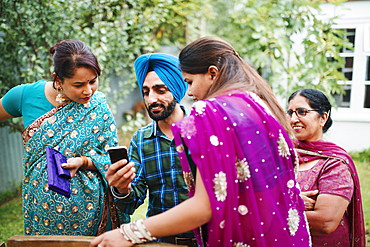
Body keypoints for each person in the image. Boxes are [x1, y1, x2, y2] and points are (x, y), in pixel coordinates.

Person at [92, 36, 311, 247]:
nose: (190, 91)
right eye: (146, 91)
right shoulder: (256, 104)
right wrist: (122, 188)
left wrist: (130, 233)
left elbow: (205, 206)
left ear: (212, 74)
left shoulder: (209, 114)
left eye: (189, 81)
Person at [0, 40, 129, 235]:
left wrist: (83, 161)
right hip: (41, 214)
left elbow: (109, 160)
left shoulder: (98, 106)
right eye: (78, 85)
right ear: (57, 79)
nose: (88, 91)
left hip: (94, 217)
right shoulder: (25, 96)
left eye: (93, 81)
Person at [106, 53, 197, 246]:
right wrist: (122, 188)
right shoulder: (141, 140)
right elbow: (130, 204)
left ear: (177, 89)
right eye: (146, 92)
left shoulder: (202, 131)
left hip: (204, 240)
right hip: (160, 242)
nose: (151, 99)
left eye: (160, 90)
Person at [287, 89, 365, 247]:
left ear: (323, 117)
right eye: (290, 112)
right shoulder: (283, 154)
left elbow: (325, 222)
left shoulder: (334, 164)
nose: (294, 119)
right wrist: (290, 202)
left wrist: (273, 210)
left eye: (302, 112)